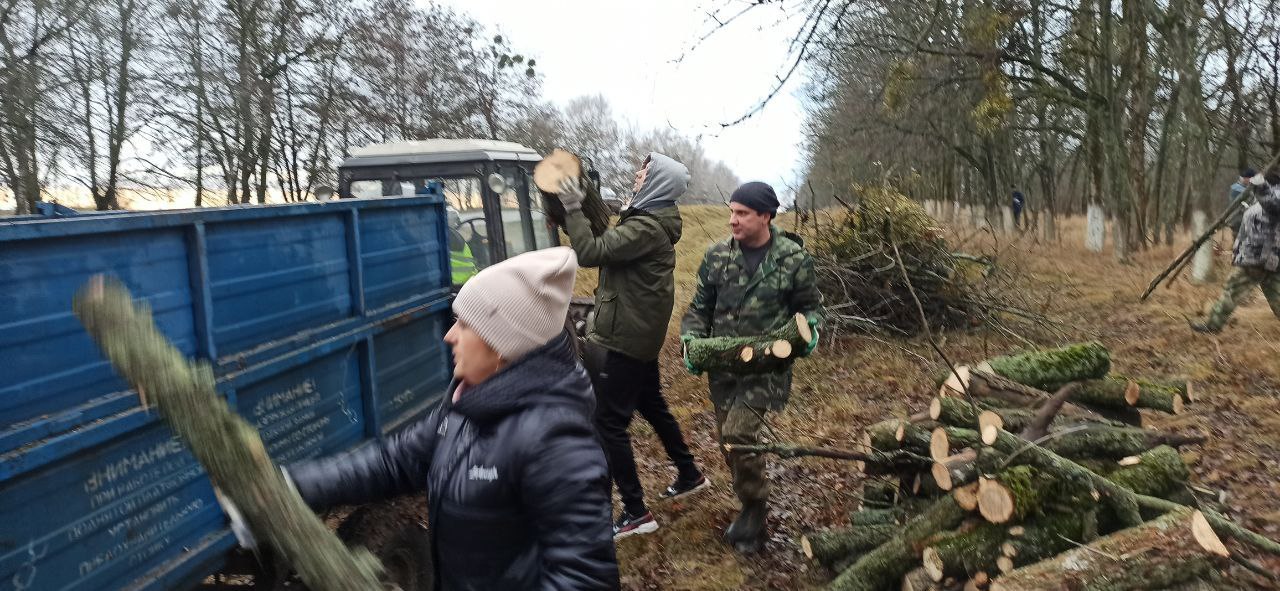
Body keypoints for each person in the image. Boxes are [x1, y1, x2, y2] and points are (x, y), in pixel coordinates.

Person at [285, 247, 620, 589]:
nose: (449, 335)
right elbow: (394, 461)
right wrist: (290, 488)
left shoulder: (557, 443)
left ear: (502, 343)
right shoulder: (467, 405)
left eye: (465, 324)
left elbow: (584, 580)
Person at [555, 153, 710, 540]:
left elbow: (591, 251)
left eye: (644, 172)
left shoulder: (646, 229)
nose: (637, 176)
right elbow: (606, 224)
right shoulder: (648, 221)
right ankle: (689, 473)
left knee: (608, 423)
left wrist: (572, 206)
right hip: (639, 335)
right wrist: (586, 191)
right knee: (652, 405)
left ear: (656, 183)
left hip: (624, 338)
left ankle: (636, 511)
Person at [679, 181, 824, 554]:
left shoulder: (792, 258)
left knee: (740, 434)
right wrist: (691, 341)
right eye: (731, 211)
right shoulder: (716, 257)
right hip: (724, 366)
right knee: (730, 442)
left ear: (765, 216)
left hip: (768, 367)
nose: (733, 220)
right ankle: (750, 500)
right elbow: (699, 308)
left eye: (742, 213)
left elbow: (810, 307)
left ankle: (754, 511)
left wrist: (810, 334)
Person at [1192, 173, 1280, 333]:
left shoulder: (1275, 196)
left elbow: (1272, 204)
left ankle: (1213, 325)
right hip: (1264, 258)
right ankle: (1213, 324)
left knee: (1232, 290)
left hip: (1257, 259)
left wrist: (1261, 186)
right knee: (1277, 295)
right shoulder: (1262, 199)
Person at [1227, 168, 1257, 242]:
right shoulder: (1237, 189)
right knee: (1240, 246)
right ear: (1246, 178)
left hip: (1244, 222)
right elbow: (1242, 205)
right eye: (1251, 178)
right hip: (1238, 222)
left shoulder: (1246, 189)